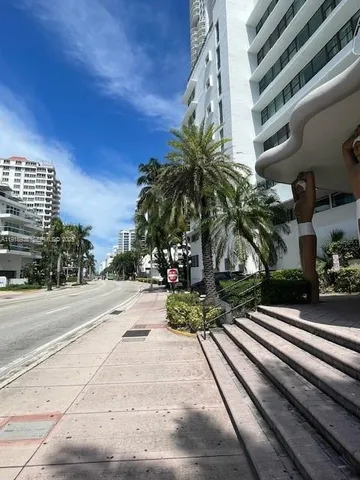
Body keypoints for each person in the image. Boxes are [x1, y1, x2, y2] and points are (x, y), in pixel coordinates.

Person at [292, 171, 319, 303]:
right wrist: (297, 179)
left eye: (299, 186)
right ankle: (310, 296)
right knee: (304, 267)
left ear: (303, 187)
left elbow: (310, 177)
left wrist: (307, 177)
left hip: (308, 232)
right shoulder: (298, 201)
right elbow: (293, 186)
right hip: (301, 234)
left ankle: (314, 296)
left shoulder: (308, 200)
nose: (296, 188)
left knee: (309, 268)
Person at [342, 125, 360, 241]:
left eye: (359, 146)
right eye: (355, 148)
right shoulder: (353, 168)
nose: (357, 150)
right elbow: (345, 147)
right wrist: (355, 136)